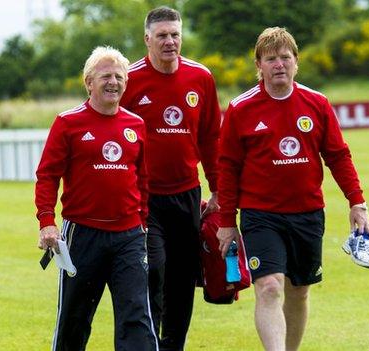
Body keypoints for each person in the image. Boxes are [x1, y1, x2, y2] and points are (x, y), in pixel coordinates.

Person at [215, 27, 369, 351]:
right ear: (258, 65)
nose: (279, 64)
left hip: (308, 213)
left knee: (299, 290)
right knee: (269, 287)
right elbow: (227, 168)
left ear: (296, 62)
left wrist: (357, 202)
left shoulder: (317, 103)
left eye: (285, 57)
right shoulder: (240, 108)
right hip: (261, 216)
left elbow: (338, 156)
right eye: (271, 59)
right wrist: (227, 222)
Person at [35, 46, 158, 351]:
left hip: (128, 237)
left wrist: (141, 221)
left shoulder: (136, 125)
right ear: (89, 82)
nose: (113, 82)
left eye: (119, 76)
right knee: (74, 319)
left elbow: (143, 179)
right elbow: (47, 175)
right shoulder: (68, 122)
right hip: (82, 236)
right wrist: (47, 222)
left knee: (136, 316)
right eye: (105, 76)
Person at [120, 6, 221, 350]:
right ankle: (149, 341)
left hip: (187, 194)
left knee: (182, 276)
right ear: (147, 39)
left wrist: (219, 188)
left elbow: (211, 138)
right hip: (144, 198)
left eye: (175, 34)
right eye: (162, 35)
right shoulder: (129, 80)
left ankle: (173, 344)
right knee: (153, 270)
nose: (169, 42)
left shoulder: (201, 78)